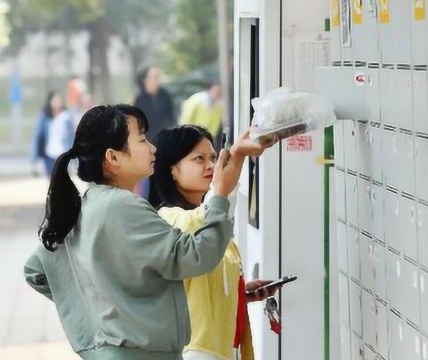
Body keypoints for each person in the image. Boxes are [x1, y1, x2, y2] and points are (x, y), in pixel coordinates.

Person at [24, 104, 270, 359]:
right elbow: (197, 256)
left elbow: (36, 269)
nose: (152, 148)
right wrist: (220, 194)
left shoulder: (88, 204)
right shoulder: (122, 205)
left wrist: (96, 316)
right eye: (141, 139)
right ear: (113, 158)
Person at [149, 125, 278, 360]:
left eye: (213, 157)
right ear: (172, 171)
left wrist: (239, 292)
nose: (210, 166)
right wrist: (237, 158)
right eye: (199, 159)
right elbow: (204, 221)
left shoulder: (211, 223)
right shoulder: (167, 219)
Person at [134, 66, 176, 198]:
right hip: (146, 143)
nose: (157, 81)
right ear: (145, 80)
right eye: (154, 77)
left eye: (158, 77)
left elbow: (171, 118)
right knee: (146, 176)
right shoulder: (139, 99)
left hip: (163, 142)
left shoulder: (165, 96)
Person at [30, 91, 75, 176]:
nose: (57, 103)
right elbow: (38, 136)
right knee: (50, 178)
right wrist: (35, 159)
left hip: (62, 152)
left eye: (59, 100)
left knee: (62, 179)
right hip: (49, 153)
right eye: (55, 101)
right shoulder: (44, 117)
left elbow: (71, 137)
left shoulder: (66, 116)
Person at [179, 82, 224, 151]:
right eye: (216, 91)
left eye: (219, 92)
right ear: (210, 89)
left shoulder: (218, 106)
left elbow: (215, 124)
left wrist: (209, 137)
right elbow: (186, 118)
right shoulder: (197, 100)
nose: (217, 93)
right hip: (191, 134)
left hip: (204, 136)